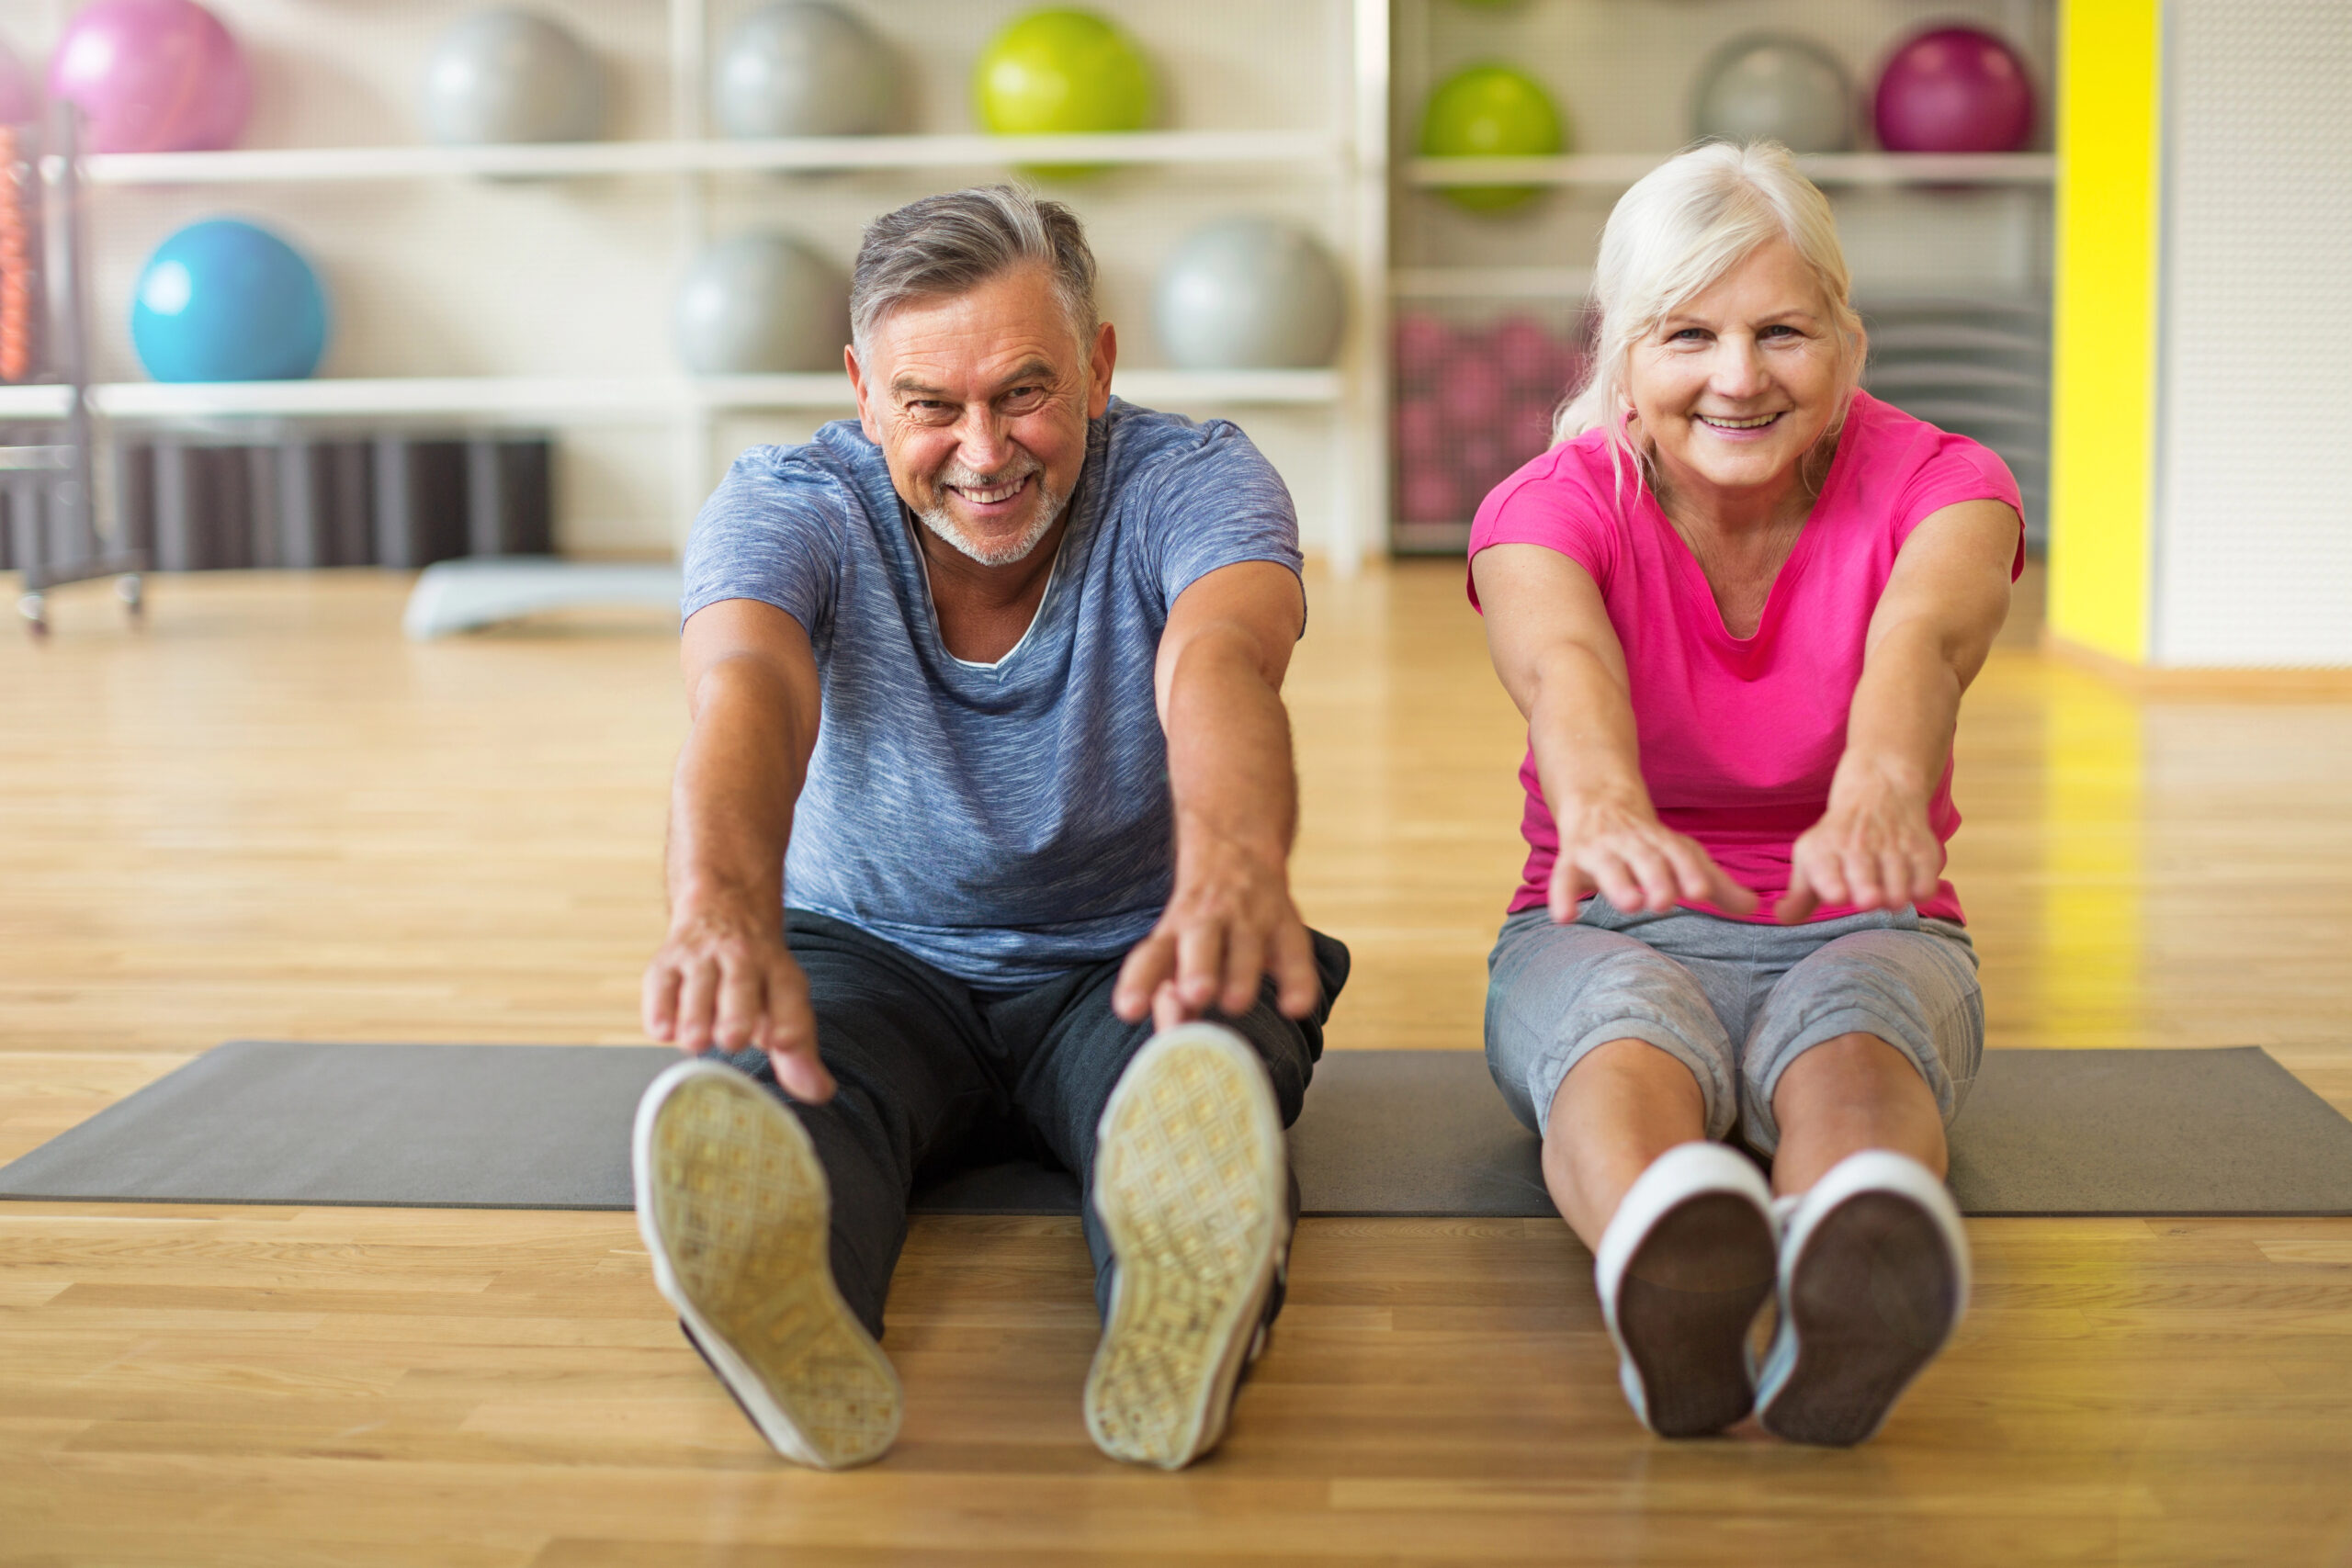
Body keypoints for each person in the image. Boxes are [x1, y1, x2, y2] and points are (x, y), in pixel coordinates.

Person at [631, 186, 1348, 1472]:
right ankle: (792, 1303)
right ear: (862, 391)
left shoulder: (1194, 480)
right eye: (931, 406)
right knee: (787, 1097)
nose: (984, 449)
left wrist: (1236, 870)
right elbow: (749, 691)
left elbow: (1224, 662)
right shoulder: (789, 502)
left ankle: (1182, 1311)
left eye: (1024, 392)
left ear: (1100, 364)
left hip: (1136, 951)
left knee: (1196, 1072)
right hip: (870, 957)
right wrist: (720, 906)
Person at [1468, 141, 2020, 1447]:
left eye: (1782, 331)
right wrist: (1601, 808)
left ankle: (1858, 1267)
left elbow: (1924, 645)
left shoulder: (1949, 486)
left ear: (1846, 337)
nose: (1737, 377)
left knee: (1861, 1045)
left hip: (1867, 911)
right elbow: (1562, 666)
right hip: (1606, 916)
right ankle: (1672, 1259)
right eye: (1688, 335)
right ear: (1620, 352)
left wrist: (1882, 793)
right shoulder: (1544, 508)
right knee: (1616, 1041)